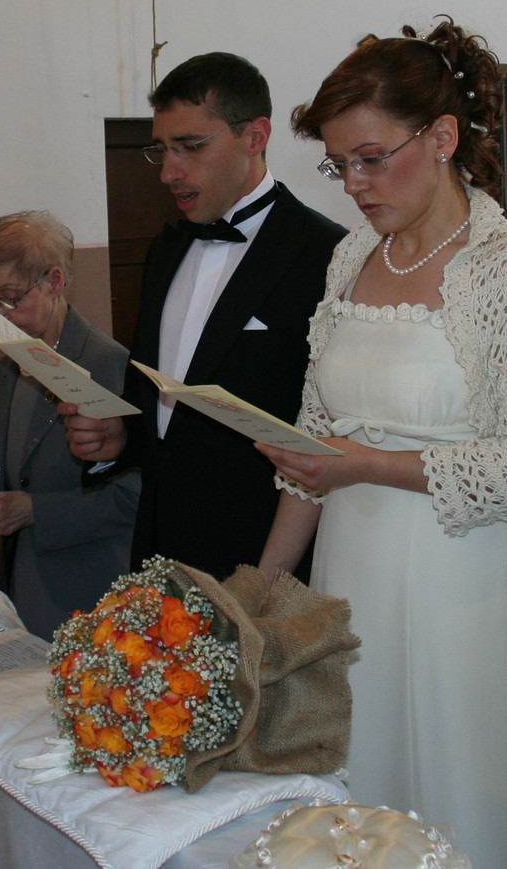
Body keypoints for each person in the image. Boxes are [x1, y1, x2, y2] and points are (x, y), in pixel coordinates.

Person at [255, 20, 507, 867]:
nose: (353, 184)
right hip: (348, 584)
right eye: (338, 164)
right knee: (359, 810)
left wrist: (361, 464)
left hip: (457, 588)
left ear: (440, 138)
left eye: (369, 157)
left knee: (460, 809)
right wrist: (263, 589)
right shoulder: (351, 257)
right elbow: (313, 452)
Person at [64, 52, 344, 580]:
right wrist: (118, 438)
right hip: (160, 545)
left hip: (265, 552)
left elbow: (330, 429)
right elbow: (157, 398)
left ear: (255, 136)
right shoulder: (166, 249)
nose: (170, 172)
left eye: (191, 147)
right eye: (161, 150)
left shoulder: (327, 256)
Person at [0, 211, 138, 638]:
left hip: (88, 582)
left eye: (10, 298)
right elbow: (9, 465)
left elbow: (132, 495)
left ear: (56, 282)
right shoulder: (9, 368)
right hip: (25, 575)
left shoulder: (104, 361)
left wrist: (35, 512)